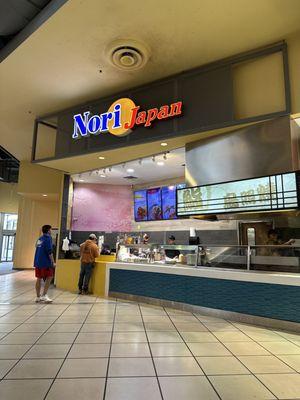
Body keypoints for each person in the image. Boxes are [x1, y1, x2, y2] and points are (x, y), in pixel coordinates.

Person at [34, 224, 55, 303]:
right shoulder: (48, 238)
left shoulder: (40, 238)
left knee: (38, 278)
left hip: (37, 261)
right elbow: (49, 251)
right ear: (49, 230)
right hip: (45, 262)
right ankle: (44, 295)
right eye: (51, 229)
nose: (51, 231)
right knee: (49, 277)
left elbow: (36, 246)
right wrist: (53, 261)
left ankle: (38, 297)